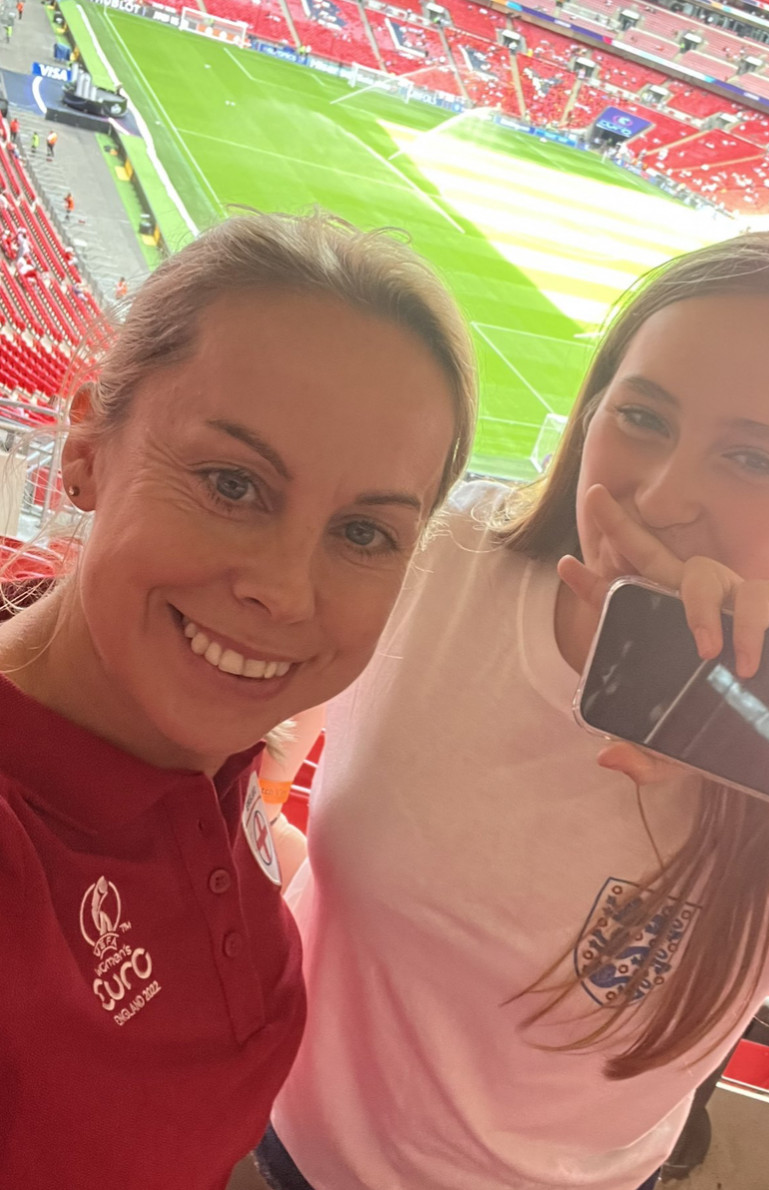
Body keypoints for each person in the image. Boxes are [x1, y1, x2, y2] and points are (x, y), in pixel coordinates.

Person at [264, 230, 769, 1190]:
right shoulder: (443, 563)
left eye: (752, 459)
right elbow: (268, 745)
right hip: (267, 1145)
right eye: (644, 418)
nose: (663, 495)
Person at [0, 209, 477, 1190]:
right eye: (232, 482)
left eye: (363, 533)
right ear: (87, 447)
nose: (286, 590)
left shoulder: (196, 742)